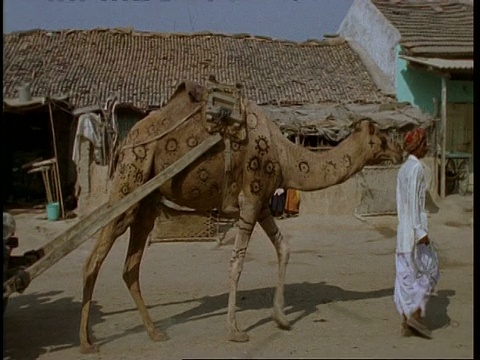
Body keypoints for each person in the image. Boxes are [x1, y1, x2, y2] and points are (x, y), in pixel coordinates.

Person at [394, 127, 440, 339]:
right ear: (418, 146)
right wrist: (420, 232)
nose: (427, 147)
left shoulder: (403, 169)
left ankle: (407, 321)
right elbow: (414, 203)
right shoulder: (416, 169)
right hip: (414, 233)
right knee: (429, 271)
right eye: (424, 144)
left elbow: (401, 204)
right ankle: (415, 315)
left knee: (406, 277)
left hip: (403, 232)